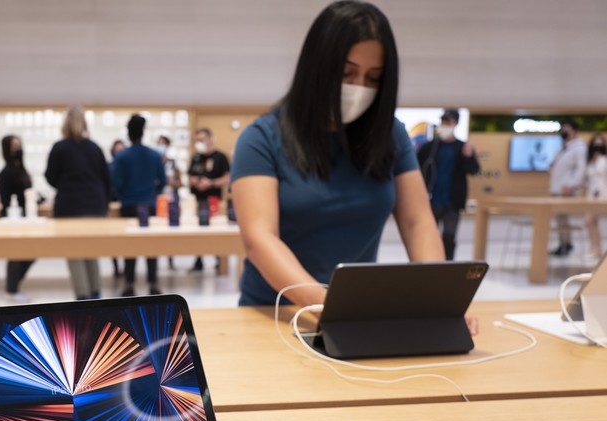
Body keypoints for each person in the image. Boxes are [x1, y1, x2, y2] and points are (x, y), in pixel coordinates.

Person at [230, 2, 478, 334]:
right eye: (347, 74)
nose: (359, 87)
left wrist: (441, 302)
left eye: (373, 78)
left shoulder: (390, 135)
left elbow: (418, 221)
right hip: (275, 314)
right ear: (317, 67)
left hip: (354, 316)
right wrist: (327, 306)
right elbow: (260, 240)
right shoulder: (261, 138)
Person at [46, 106, 111, 300]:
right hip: (95, 205)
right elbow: (106, 178)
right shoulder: (94, 147)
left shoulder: (60, 148)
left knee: (74, 253)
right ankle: (96, 294)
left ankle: (83, 297)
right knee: (92, 251)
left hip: (69, 206)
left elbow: (51, 177)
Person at [112, 114, 167, 296]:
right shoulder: (154, 155)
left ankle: (129, 282)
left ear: (128, 133)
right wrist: (152, 194)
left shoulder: (122, 157)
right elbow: (163, 180)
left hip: (129, 205)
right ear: (143, 132)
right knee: (151, 244)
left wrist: (125, 196)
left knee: (129, 245)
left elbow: (116, 183)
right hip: (149, 205)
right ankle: (153, 282)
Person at [417, 109, 480, 260]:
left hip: (452, 201)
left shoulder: (462, 147)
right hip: (431, 200)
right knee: (428, 236)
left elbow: (474, 170)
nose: (445, 125)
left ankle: (448, 266)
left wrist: (468, 157)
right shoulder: (430, 147)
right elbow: (416, 169)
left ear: (455, 124)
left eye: (448, 122)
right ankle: (428, 264)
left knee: (449, 238)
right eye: (443, 122)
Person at [0, 135, 35, 303]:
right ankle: (11, 289)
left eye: (19, 145)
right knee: (15, 254)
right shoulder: (5, 173)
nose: (17, 149)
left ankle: (12, 283)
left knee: (31, 253)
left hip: (26, 218)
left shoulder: (22, 169)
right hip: (13, 218)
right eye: (14, 146)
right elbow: (6, 200)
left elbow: (28, 191)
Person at [188, 127, 230, 272]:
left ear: (210, 139)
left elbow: (227, 177)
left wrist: (211, 183)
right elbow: (190, 175)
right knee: (198, 230)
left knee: (216, 230)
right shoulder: (196, 157)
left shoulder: (220, 157)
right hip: (199, 199)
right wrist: (196, 182)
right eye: (197, 140)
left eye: (201, 139)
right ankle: (198, 260)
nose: (199, 143)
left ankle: (219, 260)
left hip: (214, 199)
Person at [548, 120, 587, 257]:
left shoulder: (579, 148)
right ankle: (563, 244)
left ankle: (566, 244)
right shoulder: (563, 148)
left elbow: (580, 169)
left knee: (562, 217)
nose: (564, 131)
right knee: (559, 218)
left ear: (574, 131)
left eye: (567, 129)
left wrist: (571, 185)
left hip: (566, 190)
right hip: (557, 188)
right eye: (563, 128)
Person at [157, 134, 182, 270]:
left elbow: (180, 182)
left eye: (163, 143)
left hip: (171, 199)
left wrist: (172, 183)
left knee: (171, 229)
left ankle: (170, 259)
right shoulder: (154, 162)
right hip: (158, 200)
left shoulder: (173, 163)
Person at [584, 133, 607, 259]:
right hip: (591, 194)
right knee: (592, 222)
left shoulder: (605, 160)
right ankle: (597, 248)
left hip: (602, 194)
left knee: (589, 221)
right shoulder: (590, 160)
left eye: (600, 144)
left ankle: (595, 248)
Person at [108, 139, 126, 278]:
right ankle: (115, 266)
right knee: (112, 239)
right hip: (112, 204)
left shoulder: (129, 165)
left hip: (125, 203)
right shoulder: (109, 166)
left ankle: (127, 268)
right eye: (117, 149)